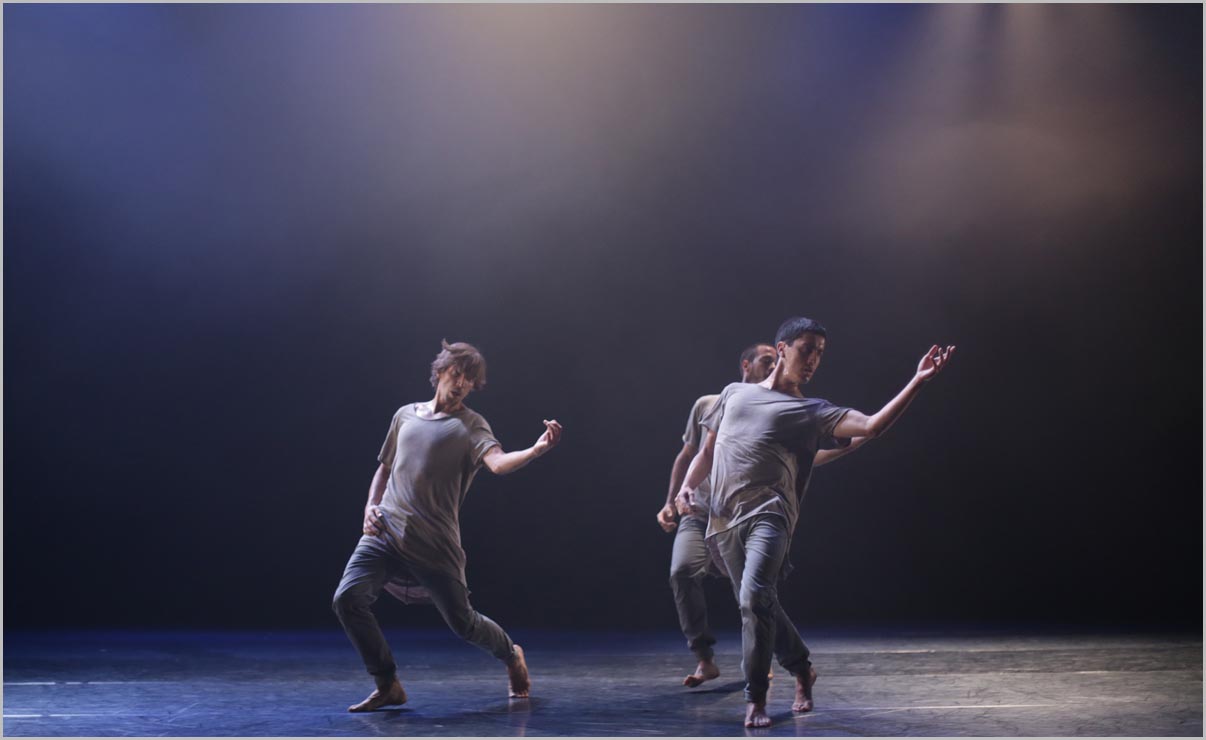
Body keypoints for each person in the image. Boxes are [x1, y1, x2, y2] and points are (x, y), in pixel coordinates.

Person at [676, 317, 954, 727]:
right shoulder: (734, 394)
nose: (813, 360)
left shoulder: (810, 410)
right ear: (782, 349)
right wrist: (686, 487)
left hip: (770, 515)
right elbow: (706, 452)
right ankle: (803, 668)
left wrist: (918, 381)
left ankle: (756, 698)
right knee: (758, 603)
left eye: (820, 353)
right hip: (723, 520)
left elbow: (871, 426)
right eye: (807, 349)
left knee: (754, 598)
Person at [333, 340, 563, 712]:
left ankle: (510, 653)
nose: (461, 384)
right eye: (456, 374)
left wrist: (536, 450)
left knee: (464, 624)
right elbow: (385, 469)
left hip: (433, 543)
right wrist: (370, 506)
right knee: (347, 599)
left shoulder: (471, 425)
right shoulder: (405, 415)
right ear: (440, 372)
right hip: (385, 532)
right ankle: (387, 683)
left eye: (469, 380)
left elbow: (498, 463)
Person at [657, 344, 868, 689]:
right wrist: (672, 498)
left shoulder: (784, 409)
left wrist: (849, 445)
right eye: (766, 360)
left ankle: (769, 659)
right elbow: (692, 453)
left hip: (743, 515)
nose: (774, 366)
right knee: (682, 571)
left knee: (753, 595)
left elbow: (800, 458)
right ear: (746, 364)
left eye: (776, 360)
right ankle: (704, 658)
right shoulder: (712, 402)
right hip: (701, 510)